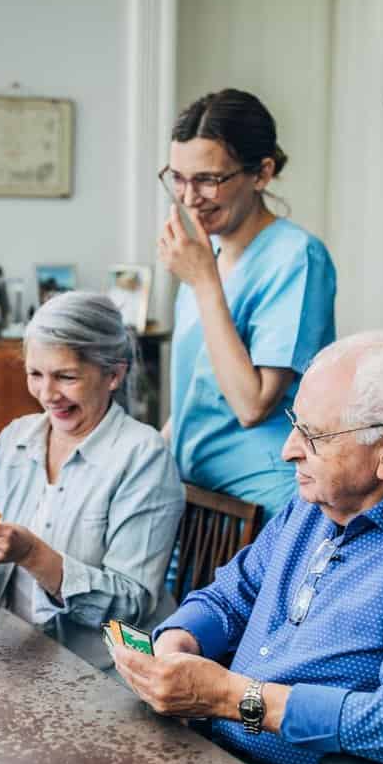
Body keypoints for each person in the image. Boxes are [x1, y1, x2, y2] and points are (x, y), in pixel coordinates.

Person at [115, 331, 383, 764]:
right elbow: (231, 594)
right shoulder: (310, 507)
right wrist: (177, 644)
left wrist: (232, 697)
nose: (289, 449)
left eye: (313, 436)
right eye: (295, 423)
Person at [0, 293, 184, 670]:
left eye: (66, 377)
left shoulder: (143, 456)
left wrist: (33, 555)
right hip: (12, 653)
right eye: (35, 374)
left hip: (98, 675)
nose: (47, 394)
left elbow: (131, 609)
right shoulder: (17, 438)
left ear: (114, 375)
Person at [159, 89, 336, 522]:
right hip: (193, 496)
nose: (188, 197)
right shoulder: (207, 256)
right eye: (177, 177)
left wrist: (204, 284)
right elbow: (195, 391)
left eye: (208, 179)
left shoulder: (296, 256)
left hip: (260, 503)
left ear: (262, 173)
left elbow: (253, 404)